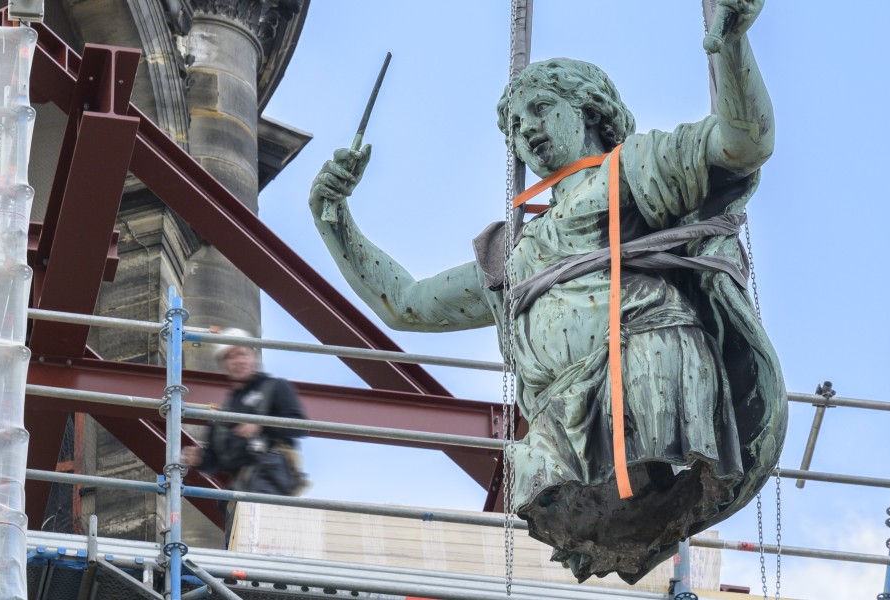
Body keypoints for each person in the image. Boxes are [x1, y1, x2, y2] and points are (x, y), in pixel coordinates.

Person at [304, 0, 782, 583]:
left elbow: (742, 143)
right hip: (562, 414)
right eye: (513, 125)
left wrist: (732, 47)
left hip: (644, 374)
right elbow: (406, 304)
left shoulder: (636, 169)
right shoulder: (515, 251)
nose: (525, 130)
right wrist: (334, 220)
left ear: (590, 111)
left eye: (540, 109)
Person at [181, 330, 308, 548]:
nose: (238, 361)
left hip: (270, 475)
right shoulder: (225, 412)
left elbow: (299, 426)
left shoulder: (275, 388)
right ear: (224, 365)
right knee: (239, 545)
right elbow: (216, 461)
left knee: (265, 539)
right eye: (230, 357)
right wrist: (200, 459)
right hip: (240, 489)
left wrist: (262, 424)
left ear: (253, 357)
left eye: (242, 353)